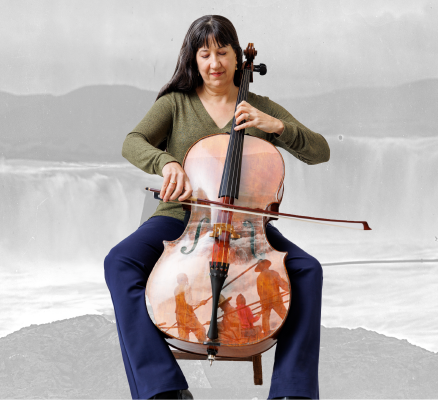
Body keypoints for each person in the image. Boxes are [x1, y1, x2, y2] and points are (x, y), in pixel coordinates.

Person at [104, 14, 329, 400]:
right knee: (119, 262)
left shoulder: (258, 106)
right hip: (181, 219)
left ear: (238, 56)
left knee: (308, 270)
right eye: (204, 53)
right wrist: (166, 162)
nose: (214, 63)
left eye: (222, 52)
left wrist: (275, 126)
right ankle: (163, 387)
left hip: (246, 226)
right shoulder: (176, 104)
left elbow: (320, 151)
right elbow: (133, 141)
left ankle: (292, 390)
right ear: (193, 59)